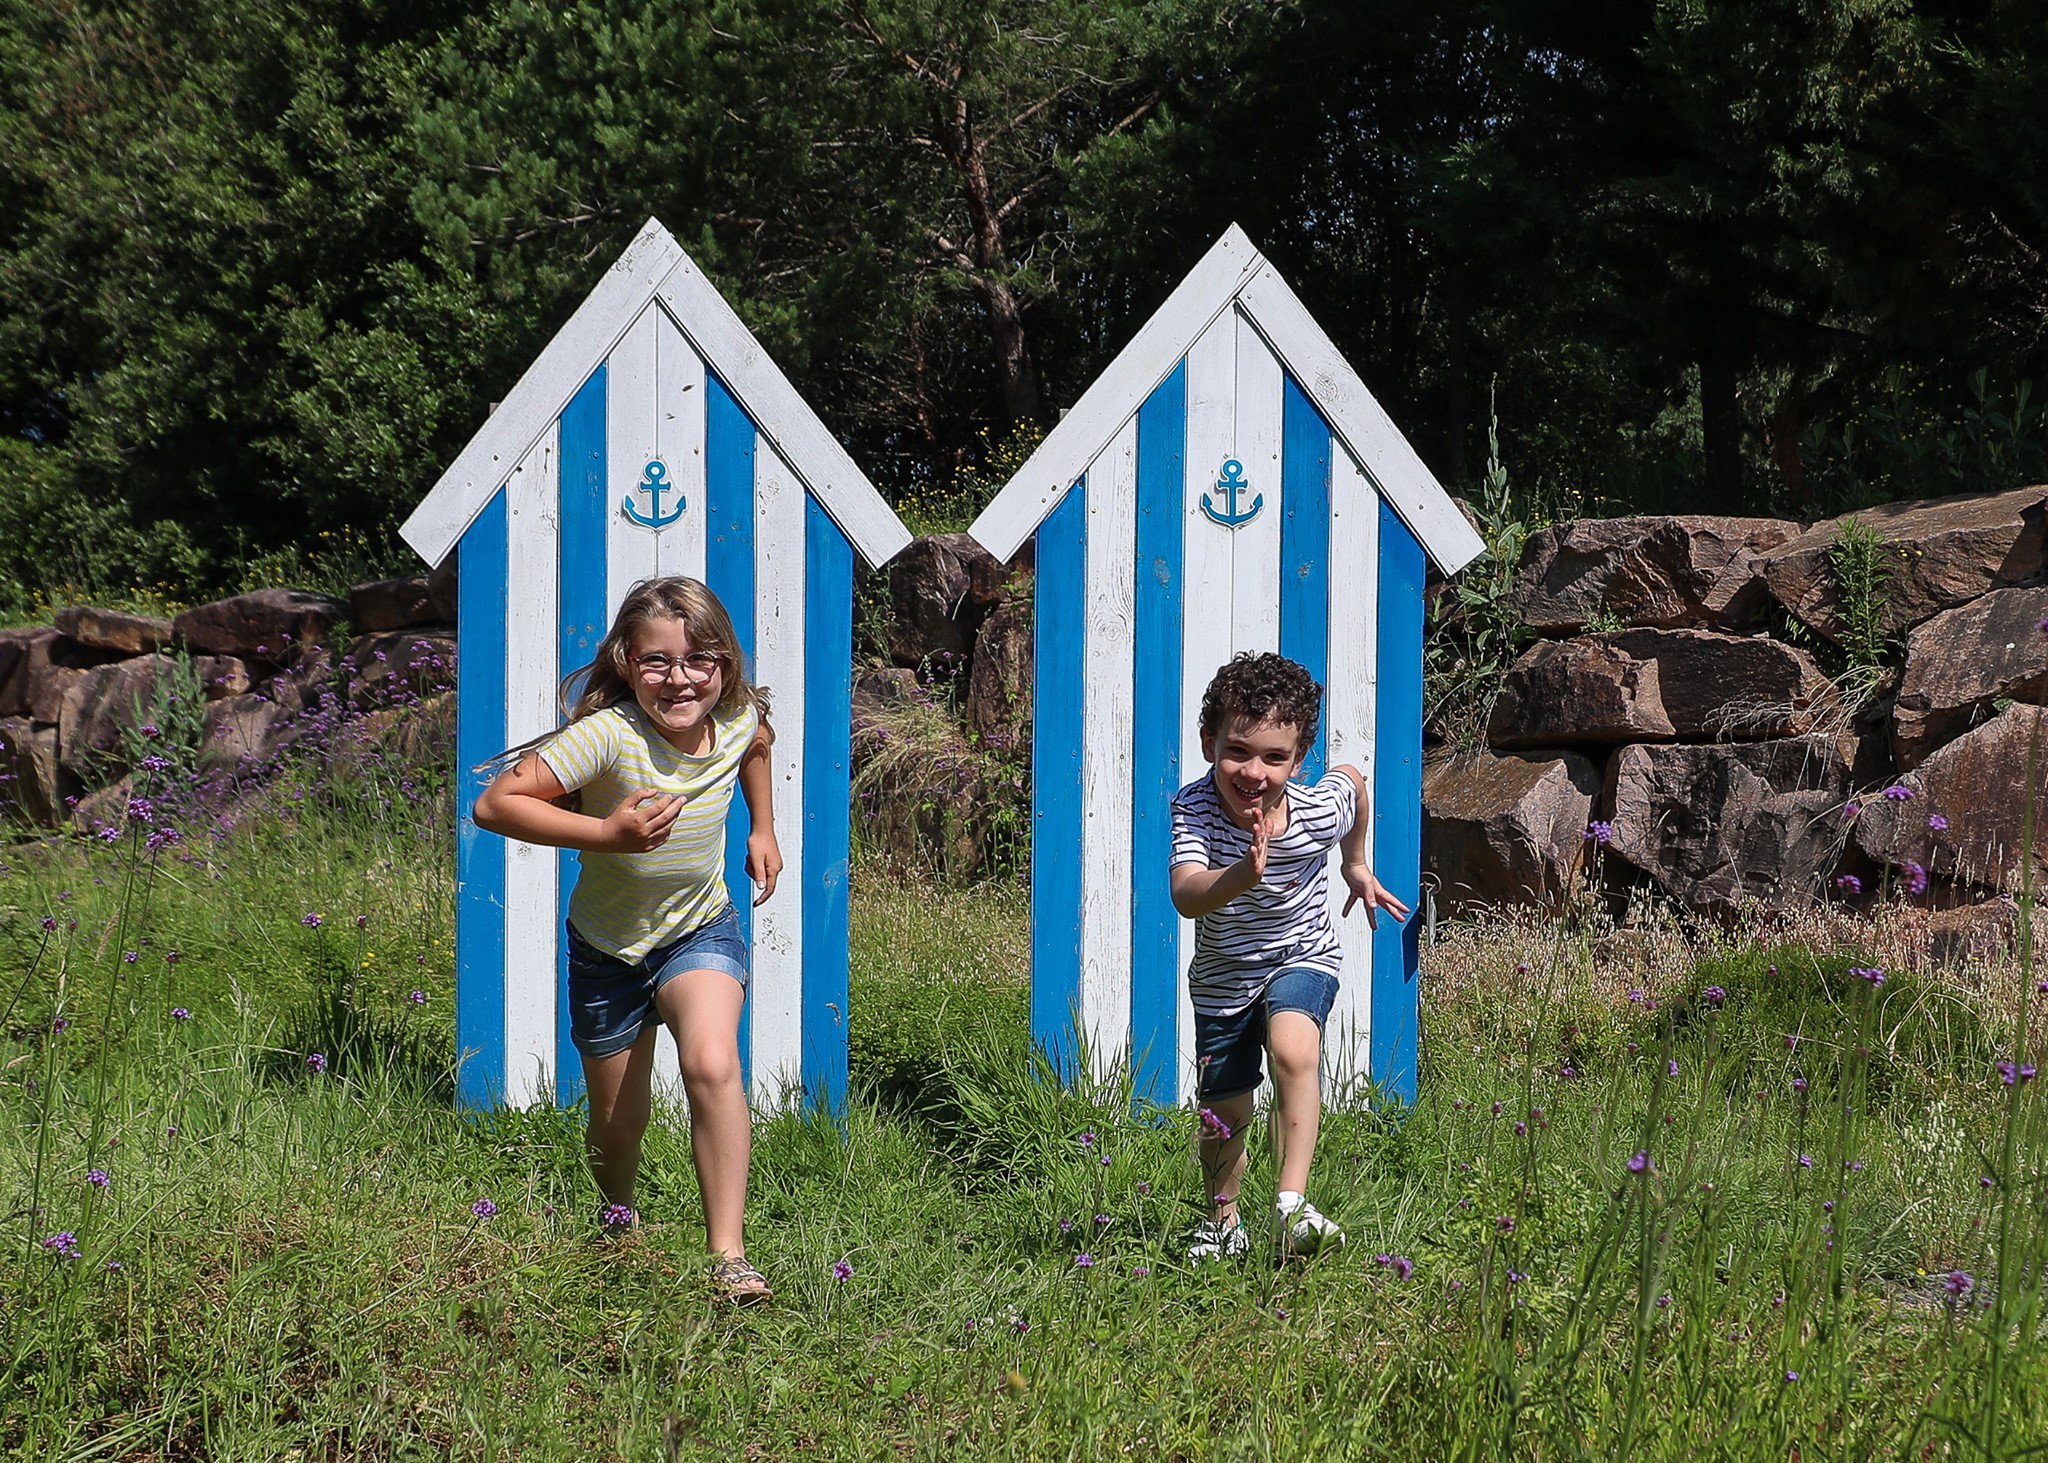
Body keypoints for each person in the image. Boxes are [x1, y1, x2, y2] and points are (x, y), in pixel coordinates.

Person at [472, 576, 782, 1303]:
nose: (680, 678)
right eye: (657, 661)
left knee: (712, 1063)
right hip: (607, 951)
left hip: (699, 928)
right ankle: (618, 1224)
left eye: (699, 659)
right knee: (617, 1128)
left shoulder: (736, 713)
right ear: (625, 659)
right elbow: (495, 804)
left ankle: (729, 1256)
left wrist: (763, 827)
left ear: (726, 664)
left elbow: (758, 743)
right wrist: (606, 834)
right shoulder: (609, 735)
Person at [1169, 651, 1409, 1262]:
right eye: (1238, 750)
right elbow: (1186, 895)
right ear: (1208, 743)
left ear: (1299, 761)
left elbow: (1352, 780)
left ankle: (1290, 1205)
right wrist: (1240, 877)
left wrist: (1356, 864)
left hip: (1301, 953)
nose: (1254, 771)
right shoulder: (1193, 808)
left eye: (1275, 757)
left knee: (1293, 1048)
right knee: (1225, 1109)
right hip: (1224, 976)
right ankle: (1222, 1226)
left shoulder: (1314, 807)